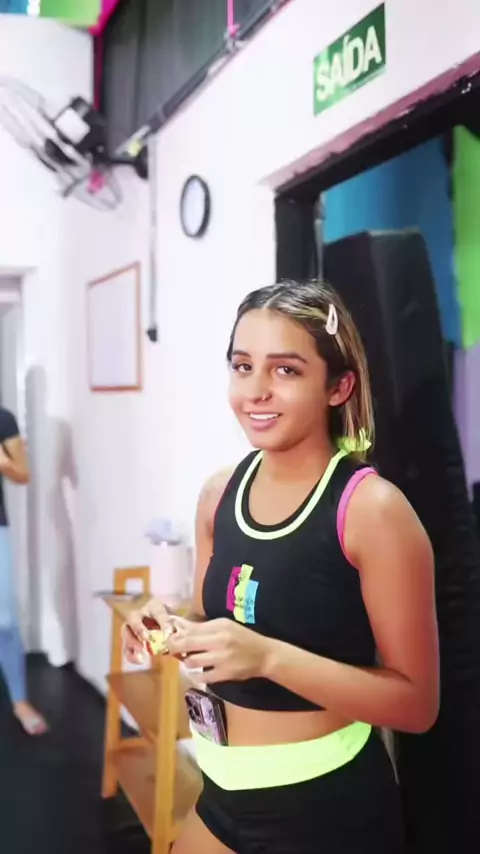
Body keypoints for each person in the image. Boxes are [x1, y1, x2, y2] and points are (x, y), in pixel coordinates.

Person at [124, 281, 439, 853]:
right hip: (221, 792)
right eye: (243, 366)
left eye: (286, 370)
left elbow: (417, 705)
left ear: (338, 387)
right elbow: (210, 617)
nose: (256, 391)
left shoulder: (372, 511)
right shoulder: (218, 494)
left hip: (327, 810)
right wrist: (166, 623)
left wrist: (267, 657)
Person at [0, 405, 47, 735]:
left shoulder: (3, 419)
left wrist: (2, 461)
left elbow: (22, 473)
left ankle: (19, 700)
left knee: (5, 622)